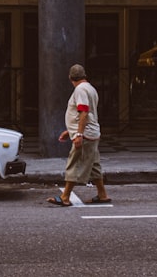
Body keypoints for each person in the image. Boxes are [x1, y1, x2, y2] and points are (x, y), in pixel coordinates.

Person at [46, 64, 111, 206]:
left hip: (85, 134)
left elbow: (83, 112)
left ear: (70, 78)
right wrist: (69, 131)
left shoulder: (80, 90)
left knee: (74, 163)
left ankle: (65, 197)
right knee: (94, 164)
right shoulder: (90, 88)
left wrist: (79, 134)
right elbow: (82, 114)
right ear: (84, 76)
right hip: (91, 133)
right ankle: (102, 194)